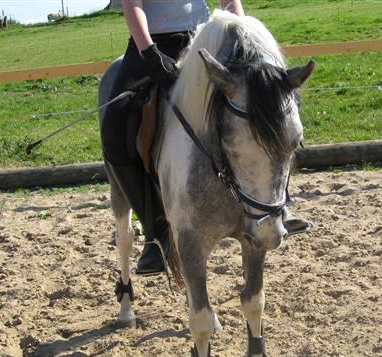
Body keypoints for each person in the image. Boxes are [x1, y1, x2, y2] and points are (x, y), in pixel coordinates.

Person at [100, 0, 310, 276]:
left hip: (209, 42)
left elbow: (230, 1)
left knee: (269, 111)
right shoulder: (149, 49)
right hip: (152, 46)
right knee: (115, 130)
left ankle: (280, 206)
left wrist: (242, 36)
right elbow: (133, 5)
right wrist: (149, 52)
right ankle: (156, 231)